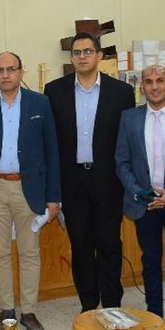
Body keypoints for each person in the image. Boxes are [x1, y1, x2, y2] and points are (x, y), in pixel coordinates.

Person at [0, 52, 60, 330]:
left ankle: (28, 311)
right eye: (0, 70)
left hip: (29, 188)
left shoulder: (40, 103)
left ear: (21, 72)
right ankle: (7, 310)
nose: (5, 75)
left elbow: (52, 151)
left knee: (29, 252)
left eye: (11, 69)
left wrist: (53, 196)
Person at [45, 32, 136, 310]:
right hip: (72, 181)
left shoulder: (121, 93)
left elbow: (126, 142)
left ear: (99, 55)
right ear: (72, 58)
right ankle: (88, 305)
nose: (82, 57)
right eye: (77, 53)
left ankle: (112, 304)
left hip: (107, 180)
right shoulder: (54, 91)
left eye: (87, 52)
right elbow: (51, 142)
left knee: (109, 244)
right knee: (81, 244)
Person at [115, 66, 165, 322]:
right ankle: (154, 315)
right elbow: (122, 162)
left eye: (160, 81)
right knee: (150, 261)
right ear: (142, 86)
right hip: (144, 204)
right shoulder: (129, 118)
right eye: (149, 82)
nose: (155, 86)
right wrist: (139, 192)